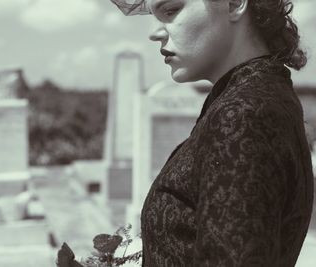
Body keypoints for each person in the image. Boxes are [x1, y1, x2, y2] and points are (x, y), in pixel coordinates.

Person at [110, 0, 314, 266]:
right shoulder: (254, 97)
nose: (155, 32)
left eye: (171, 10)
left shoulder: (244, 115)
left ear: (233, 4)